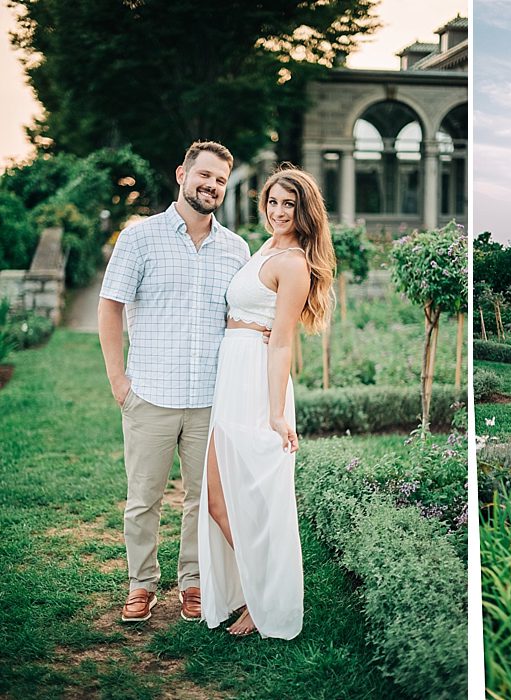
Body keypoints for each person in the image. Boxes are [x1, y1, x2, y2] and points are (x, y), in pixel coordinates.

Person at [99, 141, 249, 623]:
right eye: (204, 175)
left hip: (209, 399)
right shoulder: (139, 238)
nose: (211, 185)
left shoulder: (236, 248)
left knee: (200, 500)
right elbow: (110, 305)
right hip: (150, 394)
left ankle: (193, 582)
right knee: (143, 499)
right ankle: (140, 584)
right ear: (182, 174)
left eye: (220, 180)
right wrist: (118, 378)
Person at [198, 166, 335, 638]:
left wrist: (277, 414)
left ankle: (264, 602)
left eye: (289, 205)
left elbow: (280, 342)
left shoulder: (294, 263)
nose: (278, 211)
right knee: (219, 498)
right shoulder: (265, 247)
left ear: (304, 212)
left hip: (256, 382)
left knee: (250, 496)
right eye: (273, 202)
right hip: (232, 373)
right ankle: (254, 590)